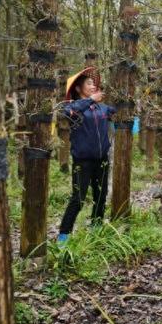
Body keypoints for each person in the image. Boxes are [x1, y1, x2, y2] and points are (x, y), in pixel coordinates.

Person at [57, 67, 116, 243]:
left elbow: (114, 111)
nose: (93, 86)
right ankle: (63, 236)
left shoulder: (102, 108)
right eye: (88, 83)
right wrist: (90, 100)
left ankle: (96, 230)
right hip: (82, 161)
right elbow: (67, 113)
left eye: (94, 84)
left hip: (101, 160)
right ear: (78, 88)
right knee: (78, 199)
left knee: (101, 195)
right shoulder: (74, 108)